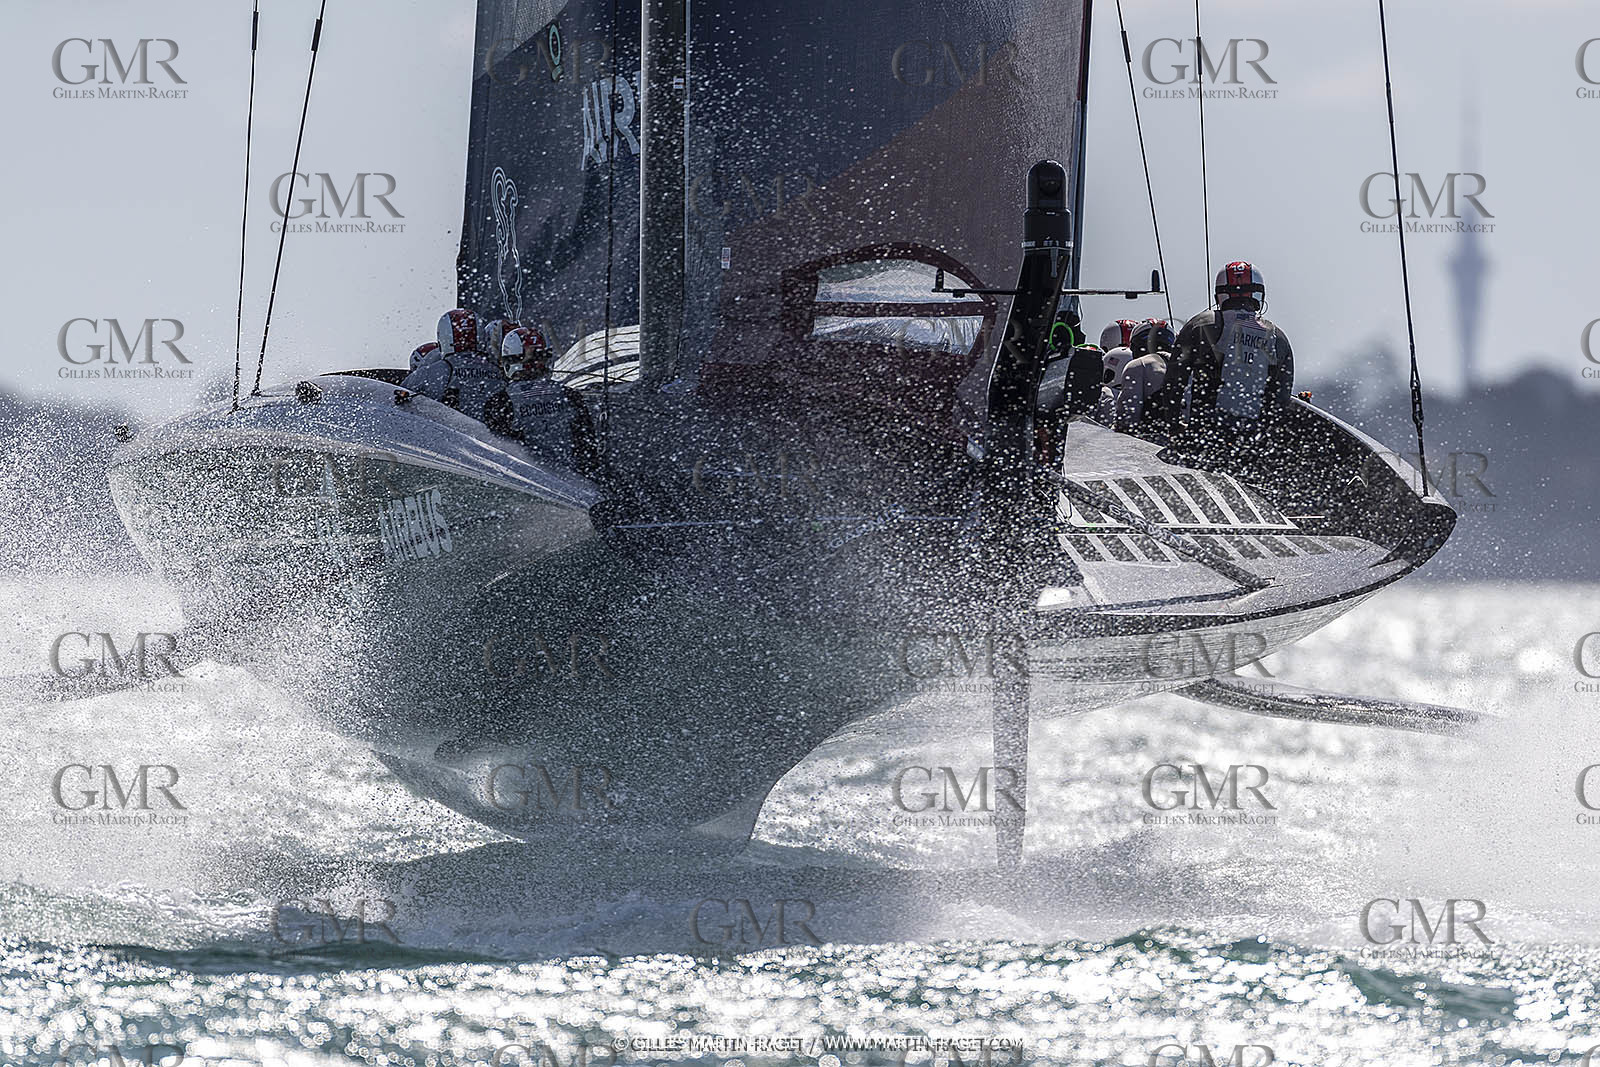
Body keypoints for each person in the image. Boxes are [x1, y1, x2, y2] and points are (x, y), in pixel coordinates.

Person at [1171, 262, 1295, 430]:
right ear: (1259, 295)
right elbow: (1281, 400)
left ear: (1219, 295)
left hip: (1204, 434)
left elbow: (1174, 382)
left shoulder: (1200, 324)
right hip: (1253, 439)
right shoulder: (1278, 337)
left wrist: (1172, 426)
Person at [501, 326, 596, 472]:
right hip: (575, 480)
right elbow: (587, 448)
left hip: (529, 479)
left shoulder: (503, 400)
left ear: (511, 359)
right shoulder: (569, 395)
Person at [400, 309, 506, 421]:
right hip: (492, 436)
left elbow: (395, 398)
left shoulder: (432, 372)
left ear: (444, 337)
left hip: (451, 433)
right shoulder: (500, 372)